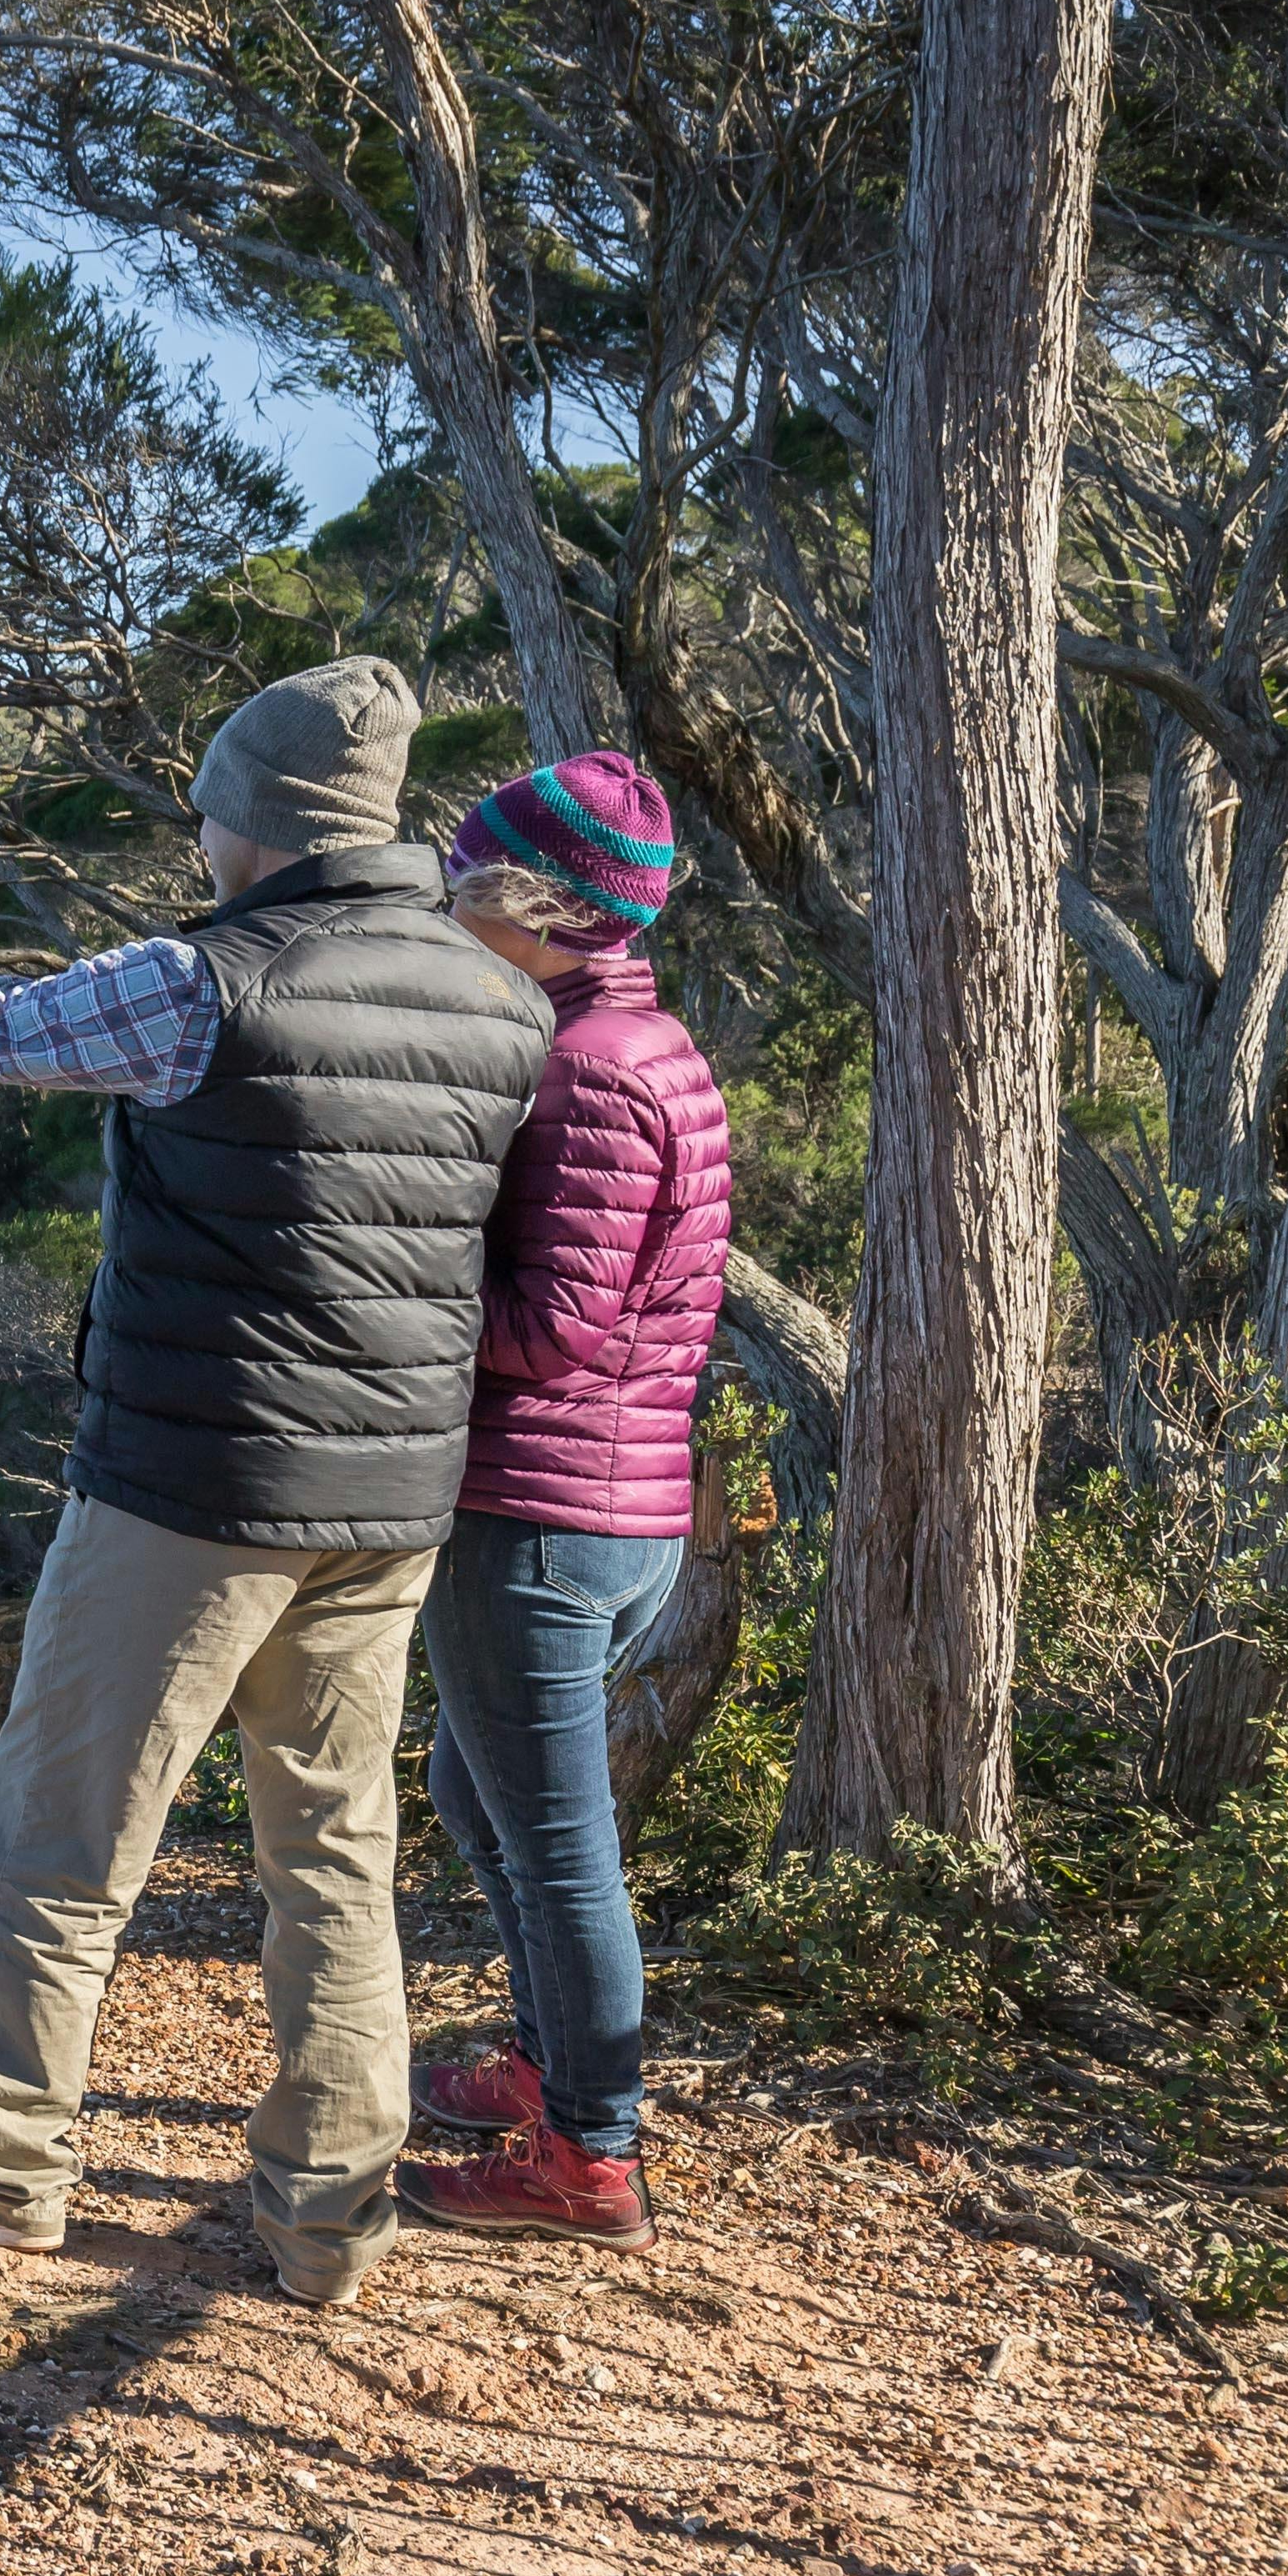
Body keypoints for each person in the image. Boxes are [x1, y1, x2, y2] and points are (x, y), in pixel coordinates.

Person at [0, 653, 552, 2305]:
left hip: (191, 1482)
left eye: (215, 809)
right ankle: (329, 2215)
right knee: (333, 1848)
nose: (202, 839)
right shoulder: (501, 999)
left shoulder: (207, 980)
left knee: (66, 1836)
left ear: (256, 820)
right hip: (385, 1500)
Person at [400, 754, 735, 2249]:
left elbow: (550, 1327)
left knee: (556, 1842)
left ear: (545, 911)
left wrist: (391, 1282)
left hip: (545, 1513)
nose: (449, 913)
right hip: (619, 1504)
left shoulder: (589, 1071)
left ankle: (590, 2150)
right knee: (483, 1792)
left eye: (469, 891)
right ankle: (547, 2071)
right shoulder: (637, 1040)